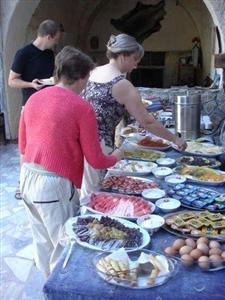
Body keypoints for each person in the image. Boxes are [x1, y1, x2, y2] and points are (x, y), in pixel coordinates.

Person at [18, 46, 123, 278]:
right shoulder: (81, 107)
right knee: (64, 247)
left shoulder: (34, 99)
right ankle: (59, 289)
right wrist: (118, 155)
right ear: (82, 77)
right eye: (88, 78)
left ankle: (47, 287)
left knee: (42, 243)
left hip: (27, 178)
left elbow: (23, 147)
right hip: (53, 186)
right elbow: (96, 160)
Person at [80, 33, 187, 197]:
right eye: (135, 59)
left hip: (80, 140)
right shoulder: (121, 84)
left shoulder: (93, 71)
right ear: (123, 56)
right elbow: (147, 122)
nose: (136, 65)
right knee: (95, 194)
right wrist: (175, 139)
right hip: (99, 145)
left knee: (86, 190)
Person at [8, 19, 63, 105]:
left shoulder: (50, 53)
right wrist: (31, 84)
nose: (56, 42)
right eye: (56, 39)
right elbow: (12, 81)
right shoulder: (23, 53)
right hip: (31, 104)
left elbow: (48, 77)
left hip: (48, 102)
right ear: (48, 37)